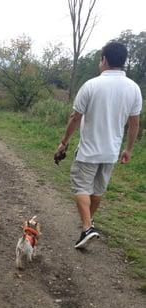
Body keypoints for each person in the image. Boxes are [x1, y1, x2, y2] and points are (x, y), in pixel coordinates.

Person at [54, 41, 143, 249]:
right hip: (111, 152)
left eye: (100, 59)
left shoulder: (92, 85)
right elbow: (135, 123)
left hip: (88, 151)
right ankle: (88, 226)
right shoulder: (134, 89)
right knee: (97, 191)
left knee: (81, 187)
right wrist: (128, 149)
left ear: (104, 60)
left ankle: (87, 227)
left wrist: (63, 142)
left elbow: (75, 117)